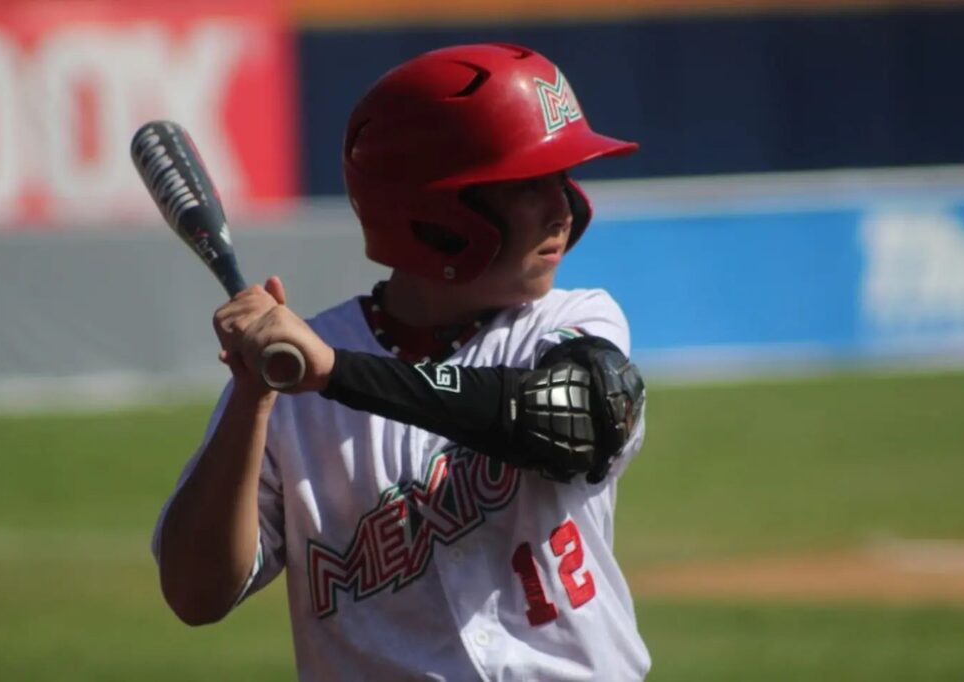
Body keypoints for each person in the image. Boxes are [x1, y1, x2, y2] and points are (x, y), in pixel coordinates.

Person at [152, 43, 650, 681]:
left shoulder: (569, 324)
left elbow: (575, 415)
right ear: (438, 217)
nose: (564, 207)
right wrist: (252, 396)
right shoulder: (287, 386)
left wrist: (335, 372)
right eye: (529, 184)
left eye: (562, 179)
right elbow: (196, 595)